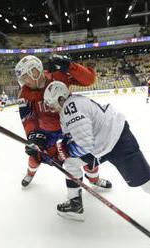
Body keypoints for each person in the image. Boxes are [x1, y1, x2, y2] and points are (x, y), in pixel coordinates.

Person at [43, 80, 150, 223]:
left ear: (60, 98)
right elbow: (78, 137)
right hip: (102, 144)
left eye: (51, 104)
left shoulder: (70, 108)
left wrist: (63, 151)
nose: (51, 109)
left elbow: (84, 144)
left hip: (118, 142)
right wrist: (56, 149)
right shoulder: (74, 104)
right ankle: (75, 203)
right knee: (71, 163)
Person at [15, 54, 112, 189]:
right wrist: (32, 135)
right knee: (35, 155)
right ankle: (30, 173)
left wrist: (70, 66)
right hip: (47, 132)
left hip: (71, 125)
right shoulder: (24, 93)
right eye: (22, 78)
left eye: (25, 76)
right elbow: (27, 118)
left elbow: (89, 80)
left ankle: (94, 179)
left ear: (35, 71)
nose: (24, 81)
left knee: (87, 155)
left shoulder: (58, 76)